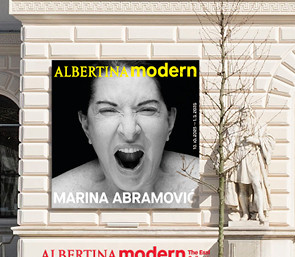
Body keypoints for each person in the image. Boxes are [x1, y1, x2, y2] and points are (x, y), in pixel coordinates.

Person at [51, 65, 199, 208]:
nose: (129, 132)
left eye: (147, 109)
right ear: (86, 126)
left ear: (170, 122)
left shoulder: (208, 185)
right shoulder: (54, 199)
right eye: (108, 110)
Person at [226, 108, 274, 223]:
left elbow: (270, 141)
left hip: (252, 157)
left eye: (247, 113)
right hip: (239, 158)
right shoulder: (234, 129)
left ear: (252, 115)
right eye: (243, 113)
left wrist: (256, 140)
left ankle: (260, 213)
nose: (245, 115)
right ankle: (245, 213)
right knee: (242, 187)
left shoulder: (258, 127)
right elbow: (229, 145)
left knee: (257, 184)